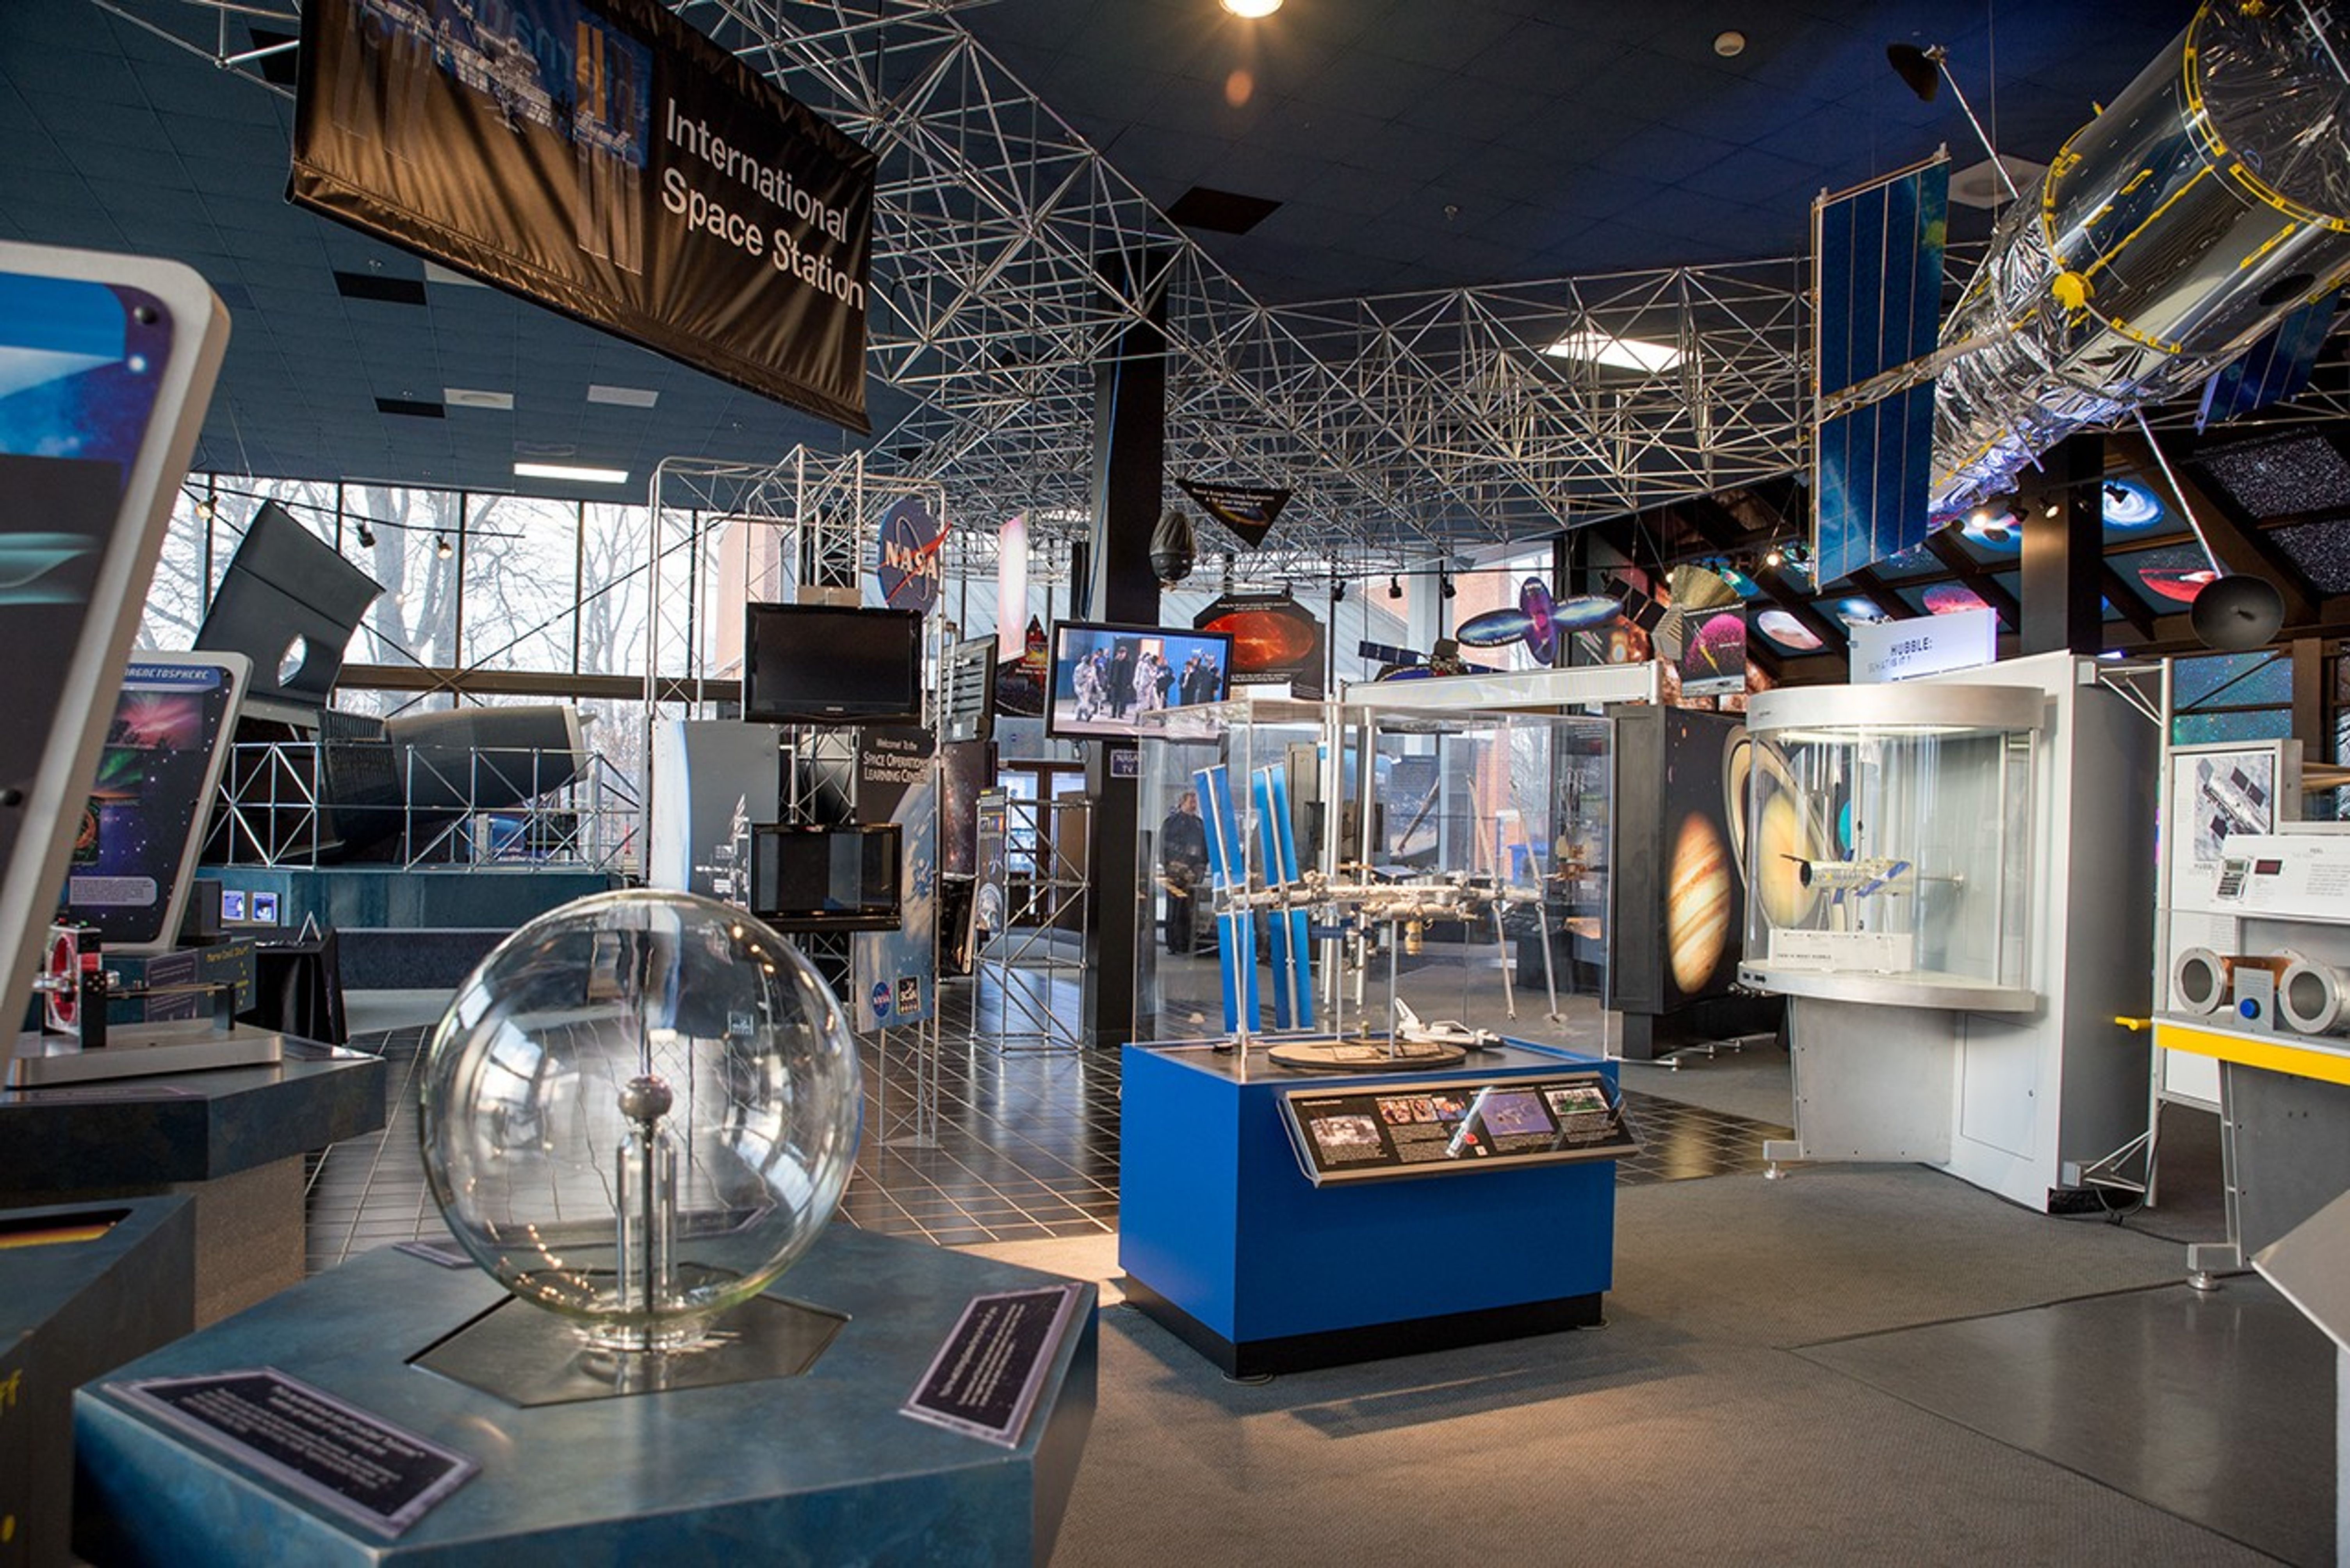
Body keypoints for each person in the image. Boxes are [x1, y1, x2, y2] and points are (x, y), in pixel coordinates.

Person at [1160, 788, 1209, 953]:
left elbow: (1204, 849)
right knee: (1174, 908)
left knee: (1190, 909)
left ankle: (1187, 942)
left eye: (1195, 802)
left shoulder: (1199, 824)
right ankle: (1173, 943)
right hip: (1176, 874)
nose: (1194, 805)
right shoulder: (1171, 823)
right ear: (1182, 803)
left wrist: (1200, 868)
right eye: (1191, 802)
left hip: (1194, 874)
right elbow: (1164, 849)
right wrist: (1174, 868)